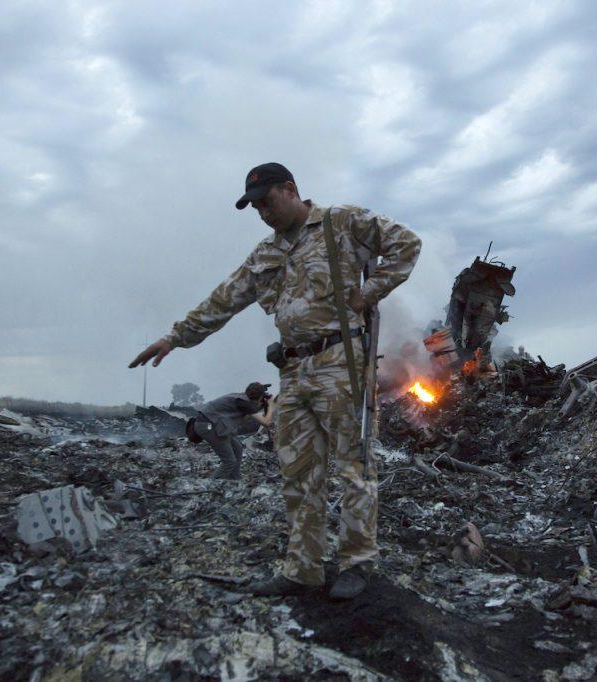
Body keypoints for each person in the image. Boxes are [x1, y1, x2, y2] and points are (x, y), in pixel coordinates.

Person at [130, 162, 421, 600]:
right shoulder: (265, 254)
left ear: (290, 190)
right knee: (299, 472)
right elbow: (224, 299)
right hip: (293, 371)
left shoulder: (342, 223)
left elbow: (406, 244)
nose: (262, 213)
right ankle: (303, 570)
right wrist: (175, 337)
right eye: (255, 208)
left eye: (267, 202)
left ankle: (358, 563)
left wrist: (371, 290)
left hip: (341, 364)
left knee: (354, 467)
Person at [185, 381, 276, 480]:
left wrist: (262, 405)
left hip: (210, 424)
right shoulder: (244, 403)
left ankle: (234, 479)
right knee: (229, 461)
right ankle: (212, 484)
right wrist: (271, 405)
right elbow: (266, 422)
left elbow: (246, 414)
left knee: (237, 448)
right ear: (258, 397)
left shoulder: (241, 399)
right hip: (208, 427)